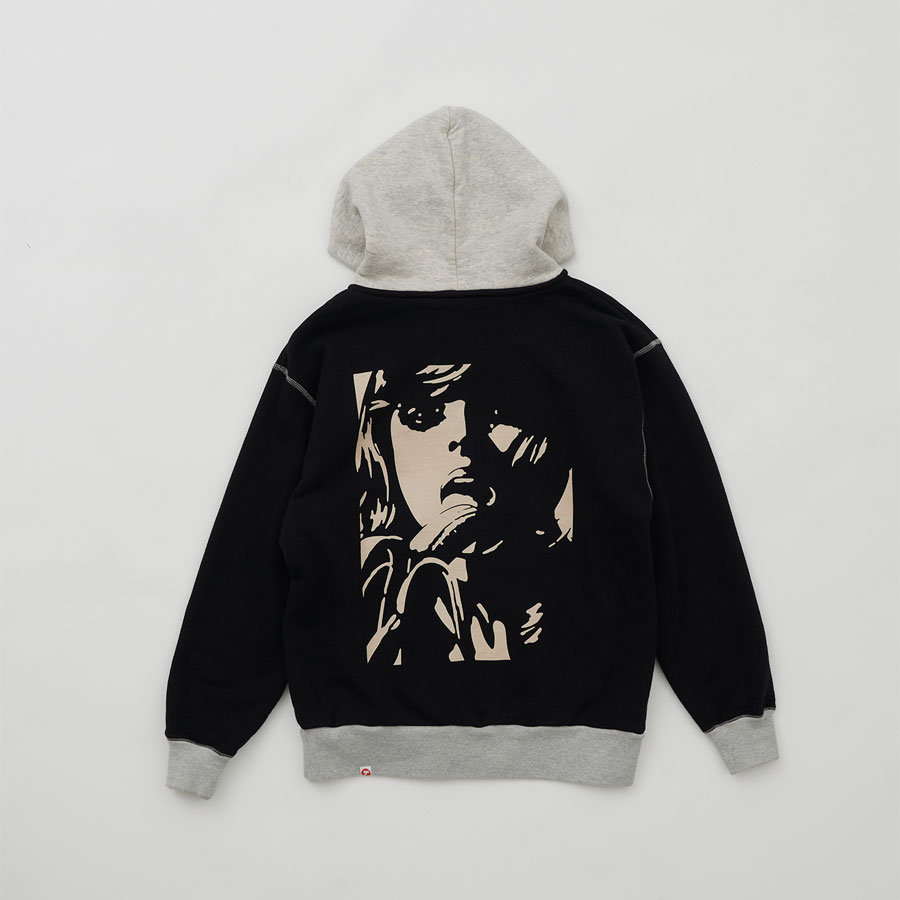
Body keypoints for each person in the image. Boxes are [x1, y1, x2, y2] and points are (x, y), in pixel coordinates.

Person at [355, 361, 574, 666]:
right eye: (424, 414)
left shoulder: (578, 581)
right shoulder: (377, 577)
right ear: (380, 444)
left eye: (501, 414)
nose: (465, 438)